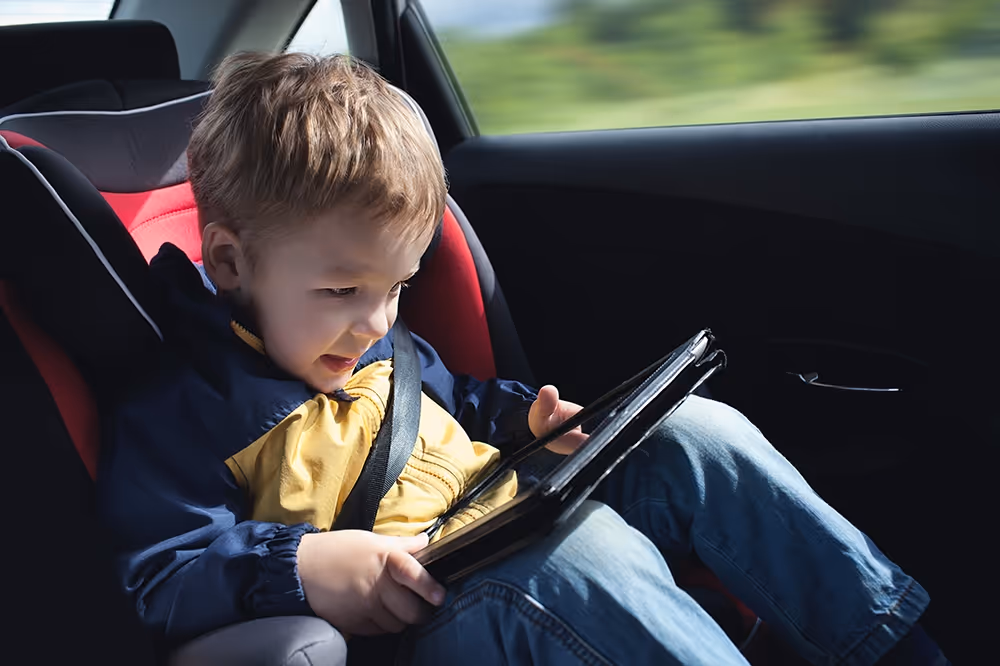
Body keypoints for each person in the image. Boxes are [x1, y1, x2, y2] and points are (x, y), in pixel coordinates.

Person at [98, 52, 948, 666]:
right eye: (340, 293)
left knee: (698, 432)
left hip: (511, 511)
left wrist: (523, 419)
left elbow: (459, 401)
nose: (373, 323)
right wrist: (306, 568)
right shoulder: (183, 403)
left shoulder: (381, 345)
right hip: (427, 607)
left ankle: (891, 648)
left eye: (397, 287)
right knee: (586, 561)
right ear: (232, 262)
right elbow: (161, 574)